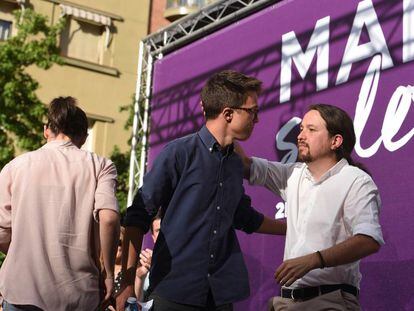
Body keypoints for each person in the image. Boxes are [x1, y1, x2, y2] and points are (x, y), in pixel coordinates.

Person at [116, 70, 286, 311]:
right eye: (252, 111)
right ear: (228, 113)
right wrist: (125, 281)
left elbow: (243, 217)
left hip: (218, 296)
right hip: (173, 292)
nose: (256, 119)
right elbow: (137, 216)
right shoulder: (179, 153)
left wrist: (292, 227)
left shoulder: (235, 164)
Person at [240, 104, 384, 310]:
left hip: (329, 300)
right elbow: (244, 165)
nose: (300, 136)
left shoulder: (356, 181)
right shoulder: (293, 174)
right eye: (301, 129)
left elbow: (369, 240)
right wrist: (223, 119)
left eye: (311, 129)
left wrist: (314, 260)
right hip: (285, 302)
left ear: (336, 141)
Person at [0, 97, 120, 310]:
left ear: (46, 130)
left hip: (22, 291)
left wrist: (28, 252)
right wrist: (109, 274)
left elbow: (1, 233)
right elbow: (109, 218)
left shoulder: (14, 167)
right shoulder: (101, 166)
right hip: (79, 294)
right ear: (84, 136)